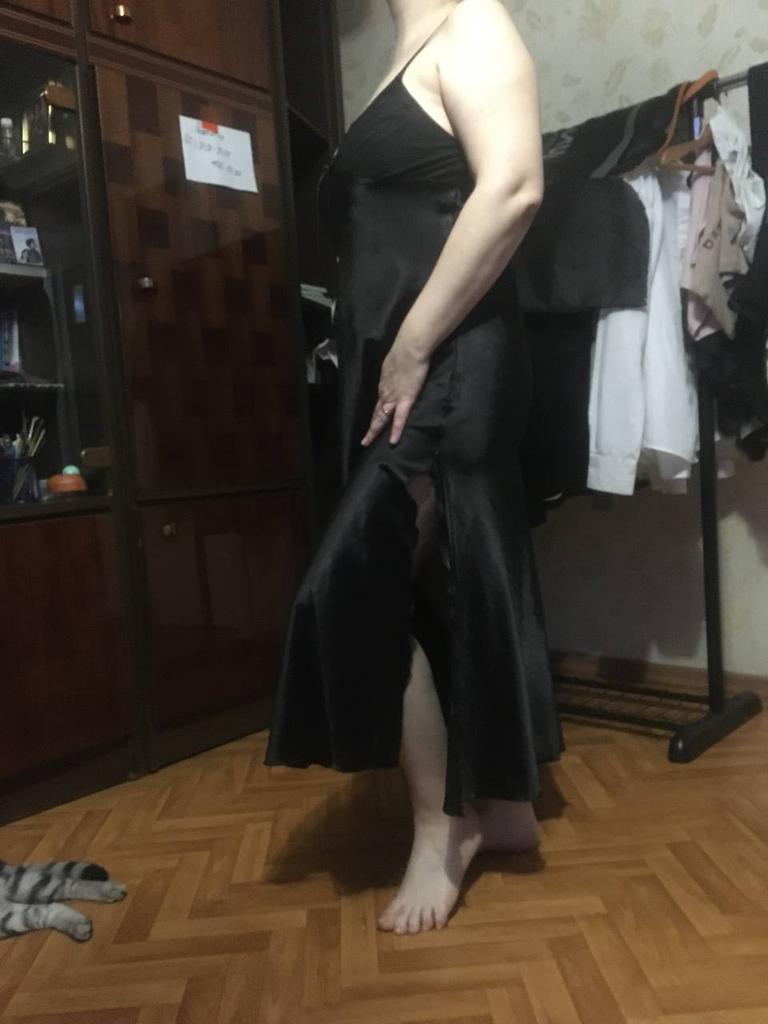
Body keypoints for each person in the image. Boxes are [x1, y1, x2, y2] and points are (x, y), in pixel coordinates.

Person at [266, 0, 563, 935]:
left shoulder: (475, 22)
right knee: (442, 583)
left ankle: (444, 826)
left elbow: (513, 188)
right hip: (403, 368)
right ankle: (502, 807)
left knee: (349, 582)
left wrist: (411, 346)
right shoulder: (405, 50)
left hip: (450, 364)